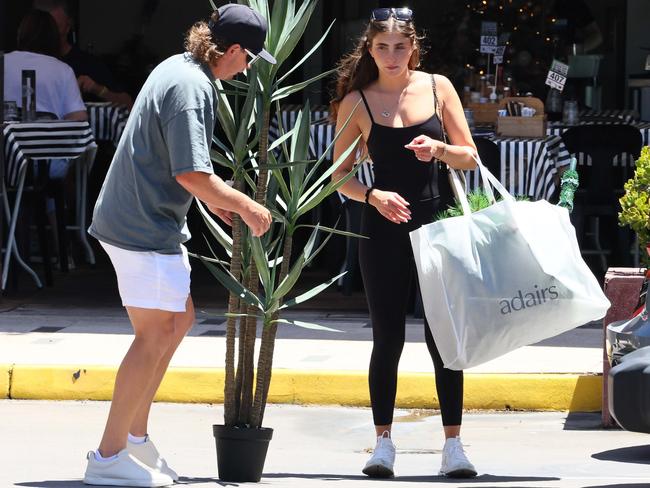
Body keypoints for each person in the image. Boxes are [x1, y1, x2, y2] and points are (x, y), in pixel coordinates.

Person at [84, 5, 275, 487]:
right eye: (249, 59)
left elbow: (183, 170)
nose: (247, 69)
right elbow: (191, 174)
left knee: (178, 320)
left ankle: (135, 439)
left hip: (146, 221)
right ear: (231, 51)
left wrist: (218, 202)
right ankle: (107, 458)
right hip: (140, 226)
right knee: (153, 335)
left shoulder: (180, 67)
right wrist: (248, 206)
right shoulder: (193, 89)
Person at [330, 7, 478, 479]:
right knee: (387, 338)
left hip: (437, 228)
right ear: (369, 50)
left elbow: (469, 157)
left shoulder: (438, 87)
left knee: (443, 338)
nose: (391, 56)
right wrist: (373, 195)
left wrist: (438, 149)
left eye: (400, 46)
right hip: (383, 230)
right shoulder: (357, 101)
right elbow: (340, 178)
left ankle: (453, 445)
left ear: (414, 47)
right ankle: (382, 444)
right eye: (381, 47)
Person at [34, 0, 134, 108]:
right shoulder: (32, 64)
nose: (50, 33)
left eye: (55, 27)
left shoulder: (88, 64)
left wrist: (97, 89)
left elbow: (128, 104)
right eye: (46, 28)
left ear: (68, 26)